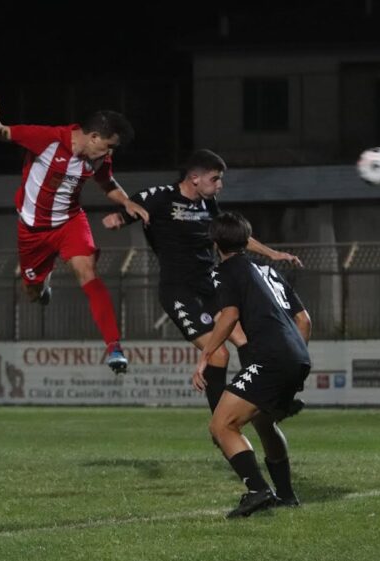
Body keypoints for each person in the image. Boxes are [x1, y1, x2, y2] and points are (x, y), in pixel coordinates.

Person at [102, 149, 308, 413]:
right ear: (194, 177)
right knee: (219, 354)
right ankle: (220, 423)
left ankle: (274, 401)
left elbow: (233, 236)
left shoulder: (208, 204)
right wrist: (118, 219)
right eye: (215, 179)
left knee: (245, 340)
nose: (220, 185)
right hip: (179, 290)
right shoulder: (159, 197)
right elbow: (130, 209)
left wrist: (273, 253)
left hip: (211, 284)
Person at [0, 96, 149, 374]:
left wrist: (126, 201)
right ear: (94, 137)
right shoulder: (49, 139)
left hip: (70, 222)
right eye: (109, 147)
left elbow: (106, 182)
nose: (110, 154)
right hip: (32, 230)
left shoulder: (97, 158)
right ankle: (42, 286)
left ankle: (114, 347)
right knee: (32, 293)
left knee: (88, 272)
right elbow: (1, 133)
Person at [193, 212, 311, 518]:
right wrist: (293, 357)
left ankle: (258, 491)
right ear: (247, 241)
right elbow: (304, 320)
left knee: (221, 425)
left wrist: (206, 355)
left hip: (271, 358)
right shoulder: (268, 270)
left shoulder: (225, 271)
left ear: (215, 242)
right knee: (263, 422)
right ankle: (286, 496)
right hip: (297, 356)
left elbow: (229, 316)